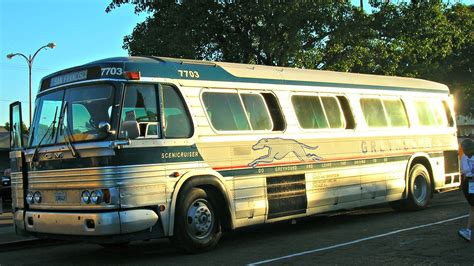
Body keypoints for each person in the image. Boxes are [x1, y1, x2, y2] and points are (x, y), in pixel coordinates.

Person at [458, 139, 474, 242]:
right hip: (468, 183)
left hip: (471, 182)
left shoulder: (466, 157)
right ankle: (468, 230)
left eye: (467, 150)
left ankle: (468, 231)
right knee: (472, 207)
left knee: (473, 207)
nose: (465, 152)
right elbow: (465, 172)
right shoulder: (464, 157)